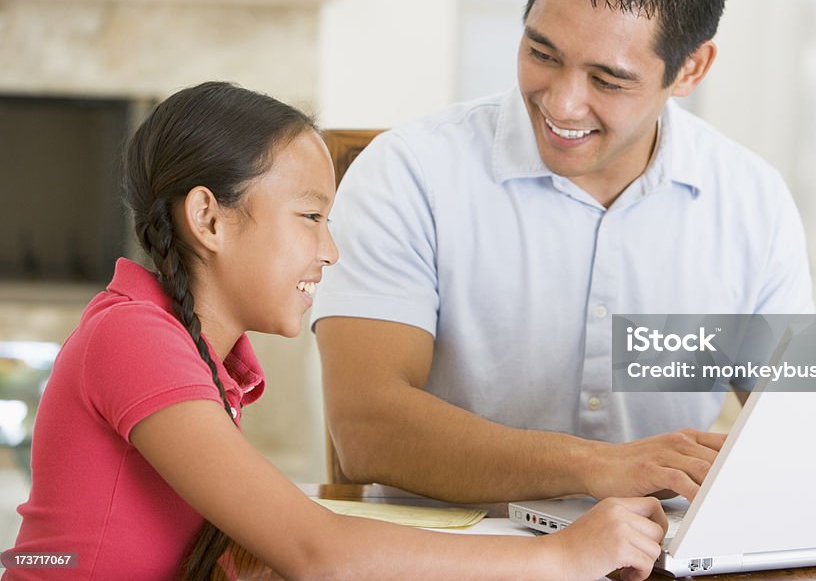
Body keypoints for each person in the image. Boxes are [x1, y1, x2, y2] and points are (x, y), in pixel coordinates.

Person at [5, 82, 668, 581]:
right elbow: (317, 551)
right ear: (208, 218)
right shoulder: (133, 339)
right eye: (310, 215)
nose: (331, 250)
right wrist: (560, 557)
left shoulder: (202, 354)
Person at [312, 0, 814, 505]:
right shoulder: (409, 172)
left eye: (608, 80)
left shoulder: (751, 200)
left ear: (690, 69)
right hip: (461, 557)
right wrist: (597, 467)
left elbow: (795, 431)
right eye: (542, 54)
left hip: (658, 557)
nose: (562, 104)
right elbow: (368, 430)